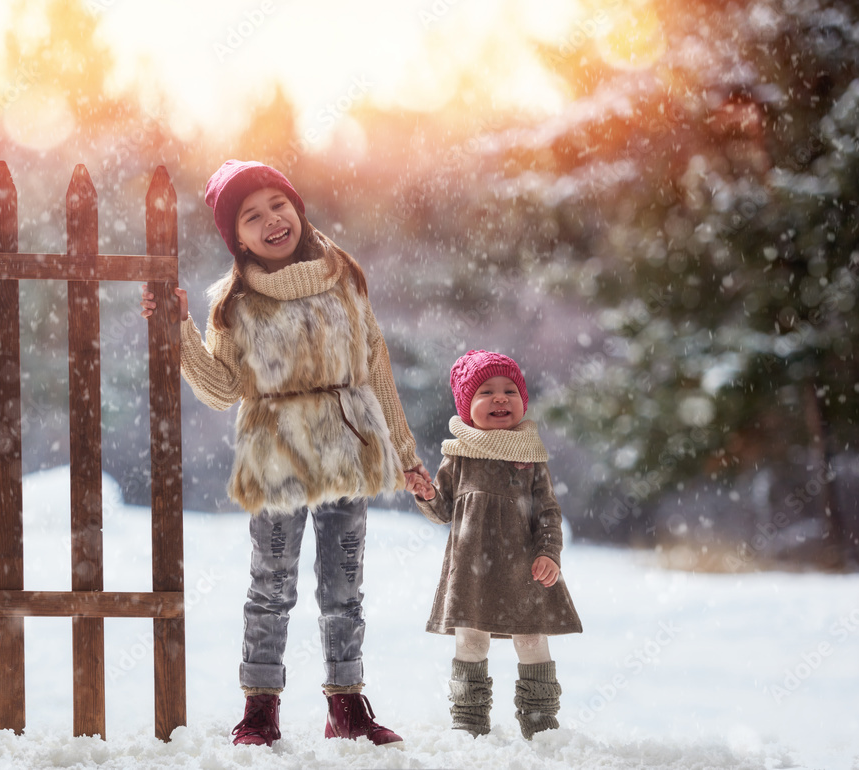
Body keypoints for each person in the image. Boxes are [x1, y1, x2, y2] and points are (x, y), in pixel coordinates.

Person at [140, 160, 431, 748]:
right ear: (237, 237)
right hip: (276, 458)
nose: (273, 220)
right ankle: (260, 710)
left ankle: (347, 706)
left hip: (349, 448)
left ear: (297, 208)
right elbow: (223, 390)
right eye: (252, 216)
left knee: (344, 584)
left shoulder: (343, 276)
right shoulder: (235, 302)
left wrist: (406, 454)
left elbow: (375, 365)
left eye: (279, 204)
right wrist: (180, 330)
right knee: (270, 586)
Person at [408, 350, 583, 740]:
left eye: (510, 391)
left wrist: (548, 553)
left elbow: (548, 513)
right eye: (486, 392)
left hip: (524, 569)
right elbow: (442, 510)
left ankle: (540, 723)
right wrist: (425, 493)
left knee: (531, 637)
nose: (501, 398)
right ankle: (468, 722)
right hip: (472, 570)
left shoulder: (532, 458)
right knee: (470, 639)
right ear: (467, 407)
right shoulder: (459, 457)